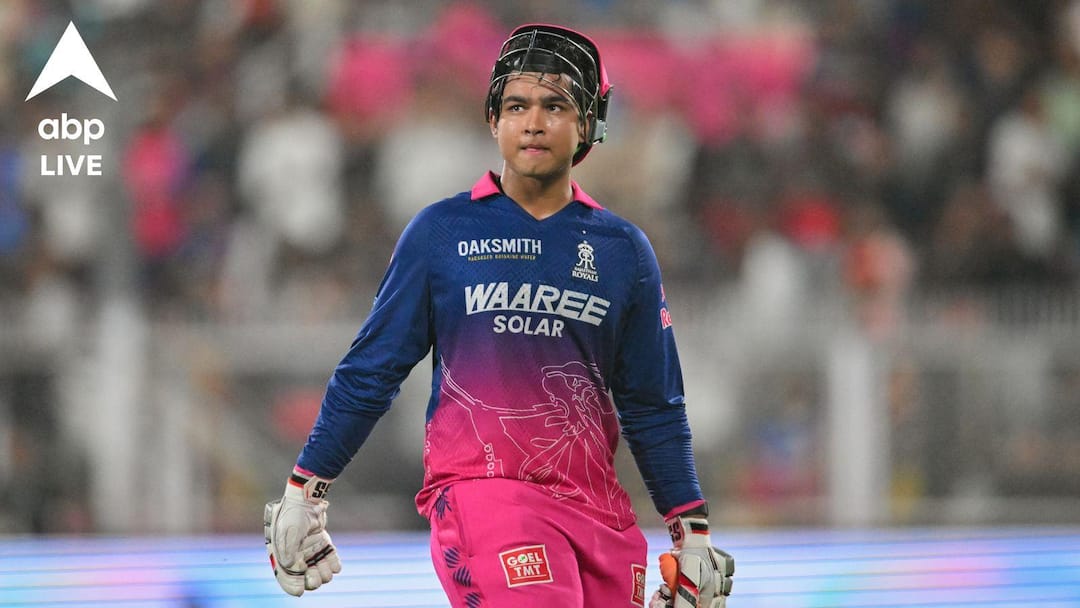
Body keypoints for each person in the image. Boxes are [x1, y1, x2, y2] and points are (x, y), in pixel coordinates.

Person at [263, 23, 735, 607]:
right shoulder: (441, 232)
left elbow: (653, 404)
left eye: (555, 106)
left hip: (601, 515)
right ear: (493, 120)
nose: (532, 122)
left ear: (589, 124)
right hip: (486, 495)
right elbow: (372, 370)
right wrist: (305, 488)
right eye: (516, 106)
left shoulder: (624, 251)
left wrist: (691, 531)